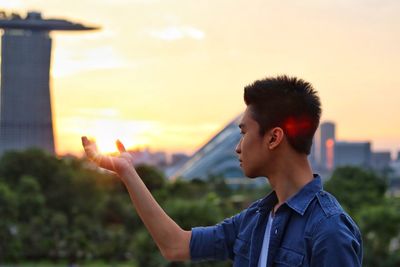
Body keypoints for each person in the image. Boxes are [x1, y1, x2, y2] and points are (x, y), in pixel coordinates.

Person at [82, 75, 363, 266]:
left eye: (243, 133)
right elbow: (176, 246)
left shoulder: (328, 230)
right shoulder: (255, 219)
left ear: (274, 137)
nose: (238, 148)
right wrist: (127, 172)